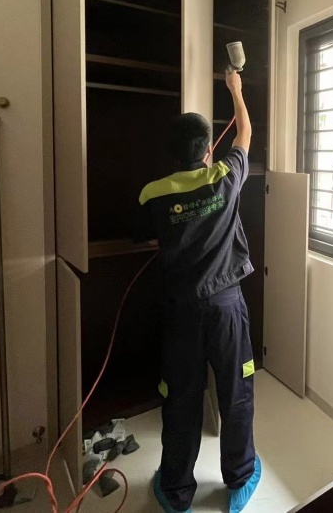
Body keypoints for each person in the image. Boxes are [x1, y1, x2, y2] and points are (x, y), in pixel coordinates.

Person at [134, 70, 261, 513]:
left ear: (171, 153)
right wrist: (235, 89)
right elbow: (244, 133)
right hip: (227, 308)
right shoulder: (226, 175)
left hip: (182, 312)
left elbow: (144, 235)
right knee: (236, 391)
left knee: (181, 398)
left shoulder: (152, 193)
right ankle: (240, 476)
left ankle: (175, 490)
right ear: (208, 150)